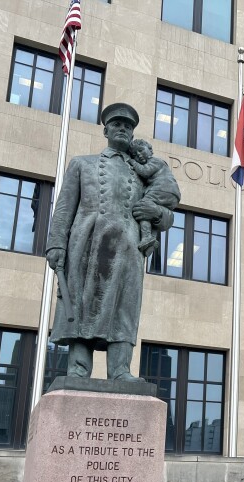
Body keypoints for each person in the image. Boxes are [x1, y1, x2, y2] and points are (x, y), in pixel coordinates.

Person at [45, 103, 181, 381]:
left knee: (125, 308)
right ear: (106, 129)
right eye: (117, 124)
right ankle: (78, 370)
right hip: (87, 245)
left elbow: (166, 217)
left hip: (129, 249)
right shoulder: (83, 164)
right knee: (81, 305)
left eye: (128, 126)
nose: (122, 129)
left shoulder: (143, 173)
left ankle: (120, 370)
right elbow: (64, 208)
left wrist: (155, 213)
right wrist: (56, 244)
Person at [128, 139, 179, 256]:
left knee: (143, 207)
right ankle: (150, 240)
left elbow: (145, 172)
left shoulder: (155, 161)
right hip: (170, 194)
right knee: (147, 208)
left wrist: (133, 162)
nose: (139, 155)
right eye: (135, 155)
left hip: (162, 189)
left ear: (150, 149)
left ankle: (146, 237)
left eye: (141, 150)